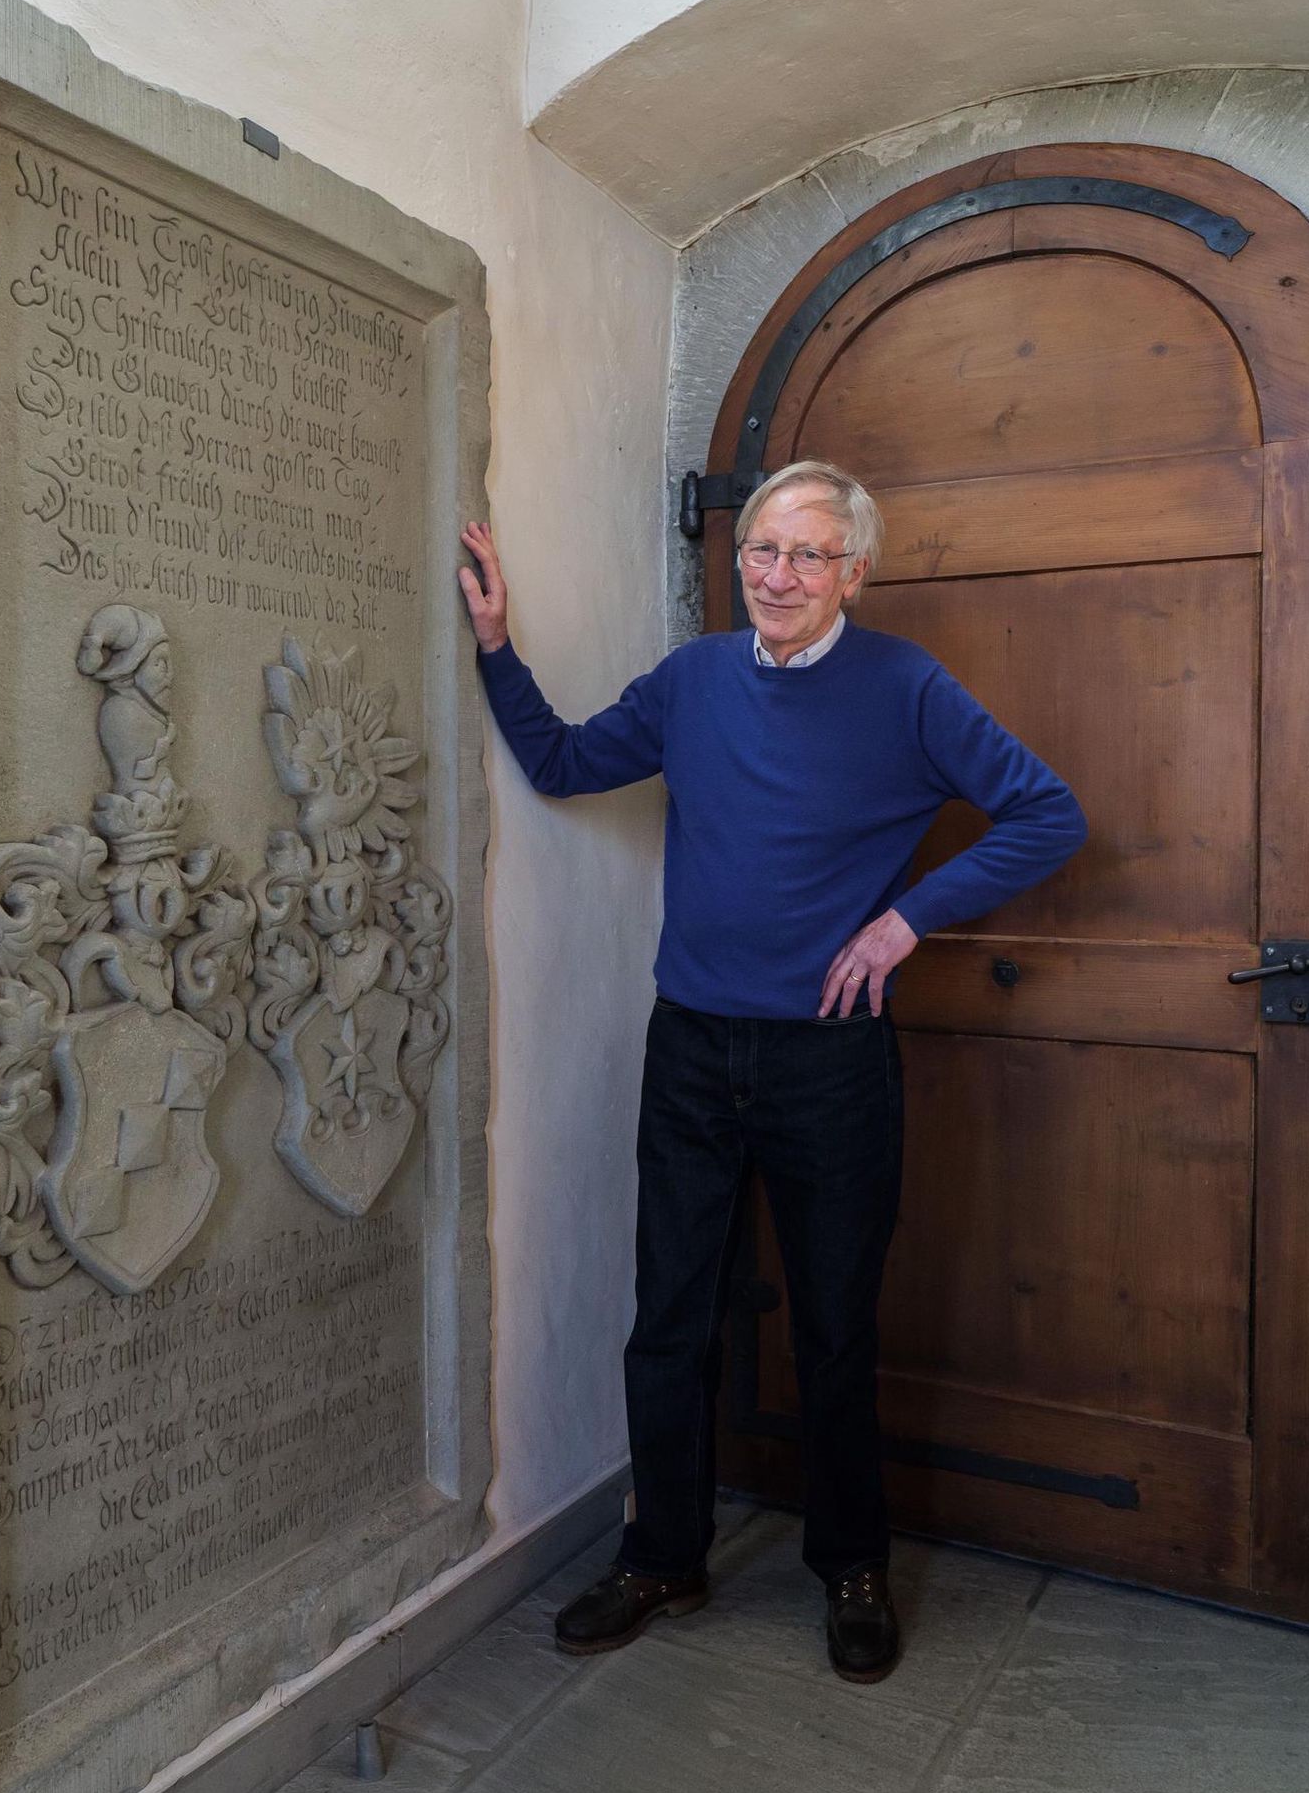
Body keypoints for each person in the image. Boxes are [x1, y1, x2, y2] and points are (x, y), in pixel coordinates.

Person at [458, 458, 1087, 1682]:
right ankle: (663, 1556)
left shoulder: (906, 686)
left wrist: (906, 921)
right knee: (669, 1320)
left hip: (829, 1064)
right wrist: (497, 647)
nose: (777, 575)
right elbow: (569, 763)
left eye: (807, 554)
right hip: (690, 1045)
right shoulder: (694, 678)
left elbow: (1047, 812)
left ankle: (852, 1568)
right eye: (760, 550)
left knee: (836, 1327)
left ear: (856, 569)